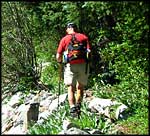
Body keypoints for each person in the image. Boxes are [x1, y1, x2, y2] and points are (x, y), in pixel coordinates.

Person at [56, 22, 91, 117]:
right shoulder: (83, 37)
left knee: (70, 87)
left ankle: (72, 108)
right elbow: (89, 51)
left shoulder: (64, 39)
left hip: (70, 65)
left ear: (68, 29)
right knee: (80, 87)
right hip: (83, 65)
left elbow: (58, 56)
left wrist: (60, 62)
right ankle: (78, 105)